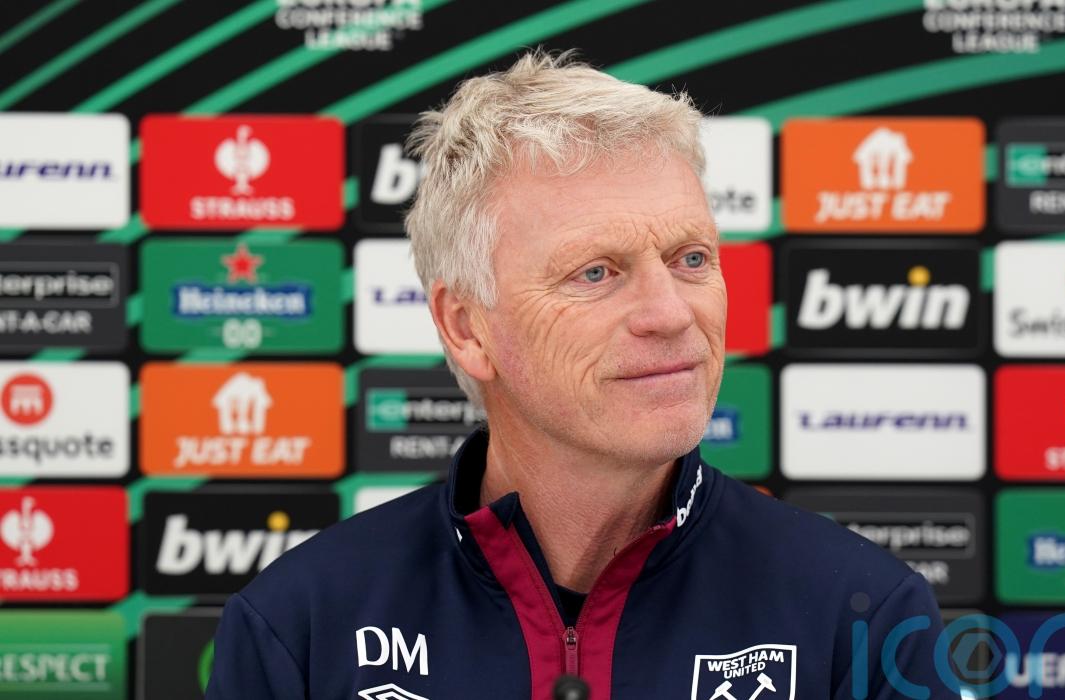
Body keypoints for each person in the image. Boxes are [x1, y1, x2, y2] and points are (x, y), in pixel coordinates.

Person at [205, 50, 960, 700]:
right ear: (466, 327)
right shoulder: (301, 627)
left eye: (691, 259)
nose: (670, 313)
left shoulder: (863, 615)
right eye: (596, 272)